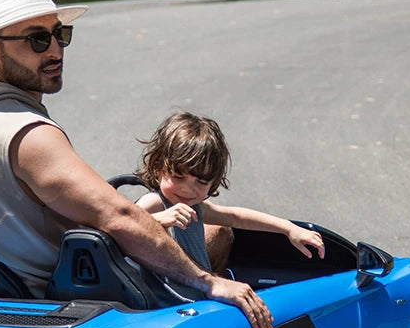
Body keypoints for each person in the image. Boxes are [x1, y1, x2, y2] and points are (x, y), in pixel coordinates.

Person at [0, 0, 273, 328]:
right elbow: (117, 215)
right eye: (37, 39)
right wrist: (208, 282)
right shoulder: (27, 133)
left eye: (59, 34)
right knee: (218, 238)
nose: (55, 50)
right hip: (61, 299)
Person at [135, 111, 325, 300]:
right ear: (158, 168)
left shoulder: (195, 206)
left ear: (213, 183)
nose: (188, 189)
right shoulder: (155, 202)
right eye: (178, 177)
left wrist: (288, 229)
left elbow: (235, 217)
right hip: (168, 305)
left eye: (201, 182)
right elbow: (120, 229)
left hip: (197, 296)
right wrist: (157, 220)